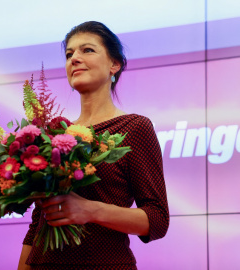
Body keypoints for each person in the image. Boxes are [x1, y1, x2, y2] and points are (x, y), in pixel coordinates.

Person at [18, 21, 169, 270]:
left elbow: (158, 219)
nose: (75, 58)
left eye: (87, 50)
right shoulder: (52, 136)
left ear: (114, 64)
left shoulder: (134, 128)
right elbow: (38, 225)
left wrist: (91, 210)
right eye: (69, 54)